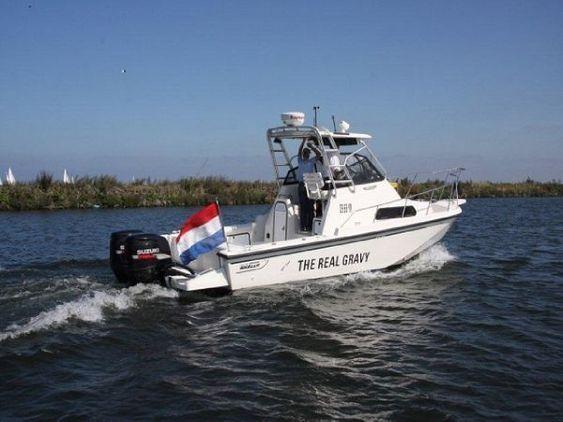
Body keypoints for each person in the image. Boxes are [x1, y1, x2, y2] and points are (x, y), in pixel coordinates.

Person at [297, 139, 322, 232]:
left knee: (310, 207)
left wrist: (312, 147)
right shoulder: (300, 160)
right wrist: (303, 142)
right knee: (303, 207)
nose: (305, 154)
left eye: (307, 153)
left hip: (310, 185)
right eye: (305, 153)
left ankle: (310, 226)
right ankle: (303, 226)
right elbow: (299, 151)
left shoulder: (311, 161)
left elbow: (319, 154)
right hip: (301, 185)